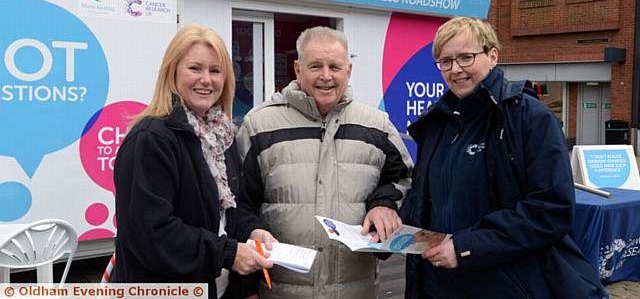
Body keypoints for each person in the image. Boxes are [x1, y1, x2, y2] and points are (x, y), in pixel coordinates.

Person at [399, 17, 607, 299]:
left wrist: (466, 247)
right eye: (445, 61)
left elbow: (551, 209)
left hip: (507, 284)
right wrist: (391, 219)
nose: (455, 69)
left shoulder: (529, 118)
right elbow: (424, 197)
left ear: (492, 56)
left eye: (466, 57)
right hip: (439, 285)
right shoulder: (436, 125)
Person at [236, 26, 413, 299]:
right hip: (278, 291)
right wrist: (245, 287)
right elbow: (238, 205)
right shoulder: (259, 126)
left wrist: (384, 204)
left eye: (335, 66)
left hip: (356, 290)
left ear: (349, 70)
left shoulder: (377, 126)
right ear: (297, 69)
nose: (326, 76)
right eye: (315, 66)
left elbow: (403, 179)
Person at [112, 25, 276, 299]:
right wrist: (228, 253)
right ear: (172, 72)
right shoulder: (151, 138)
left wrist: (252, 230)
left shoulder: (221, 135)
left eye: (215, 70)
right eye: (195, 68)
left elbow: (233, 208)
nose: (206, 80)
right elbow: (152, 233)